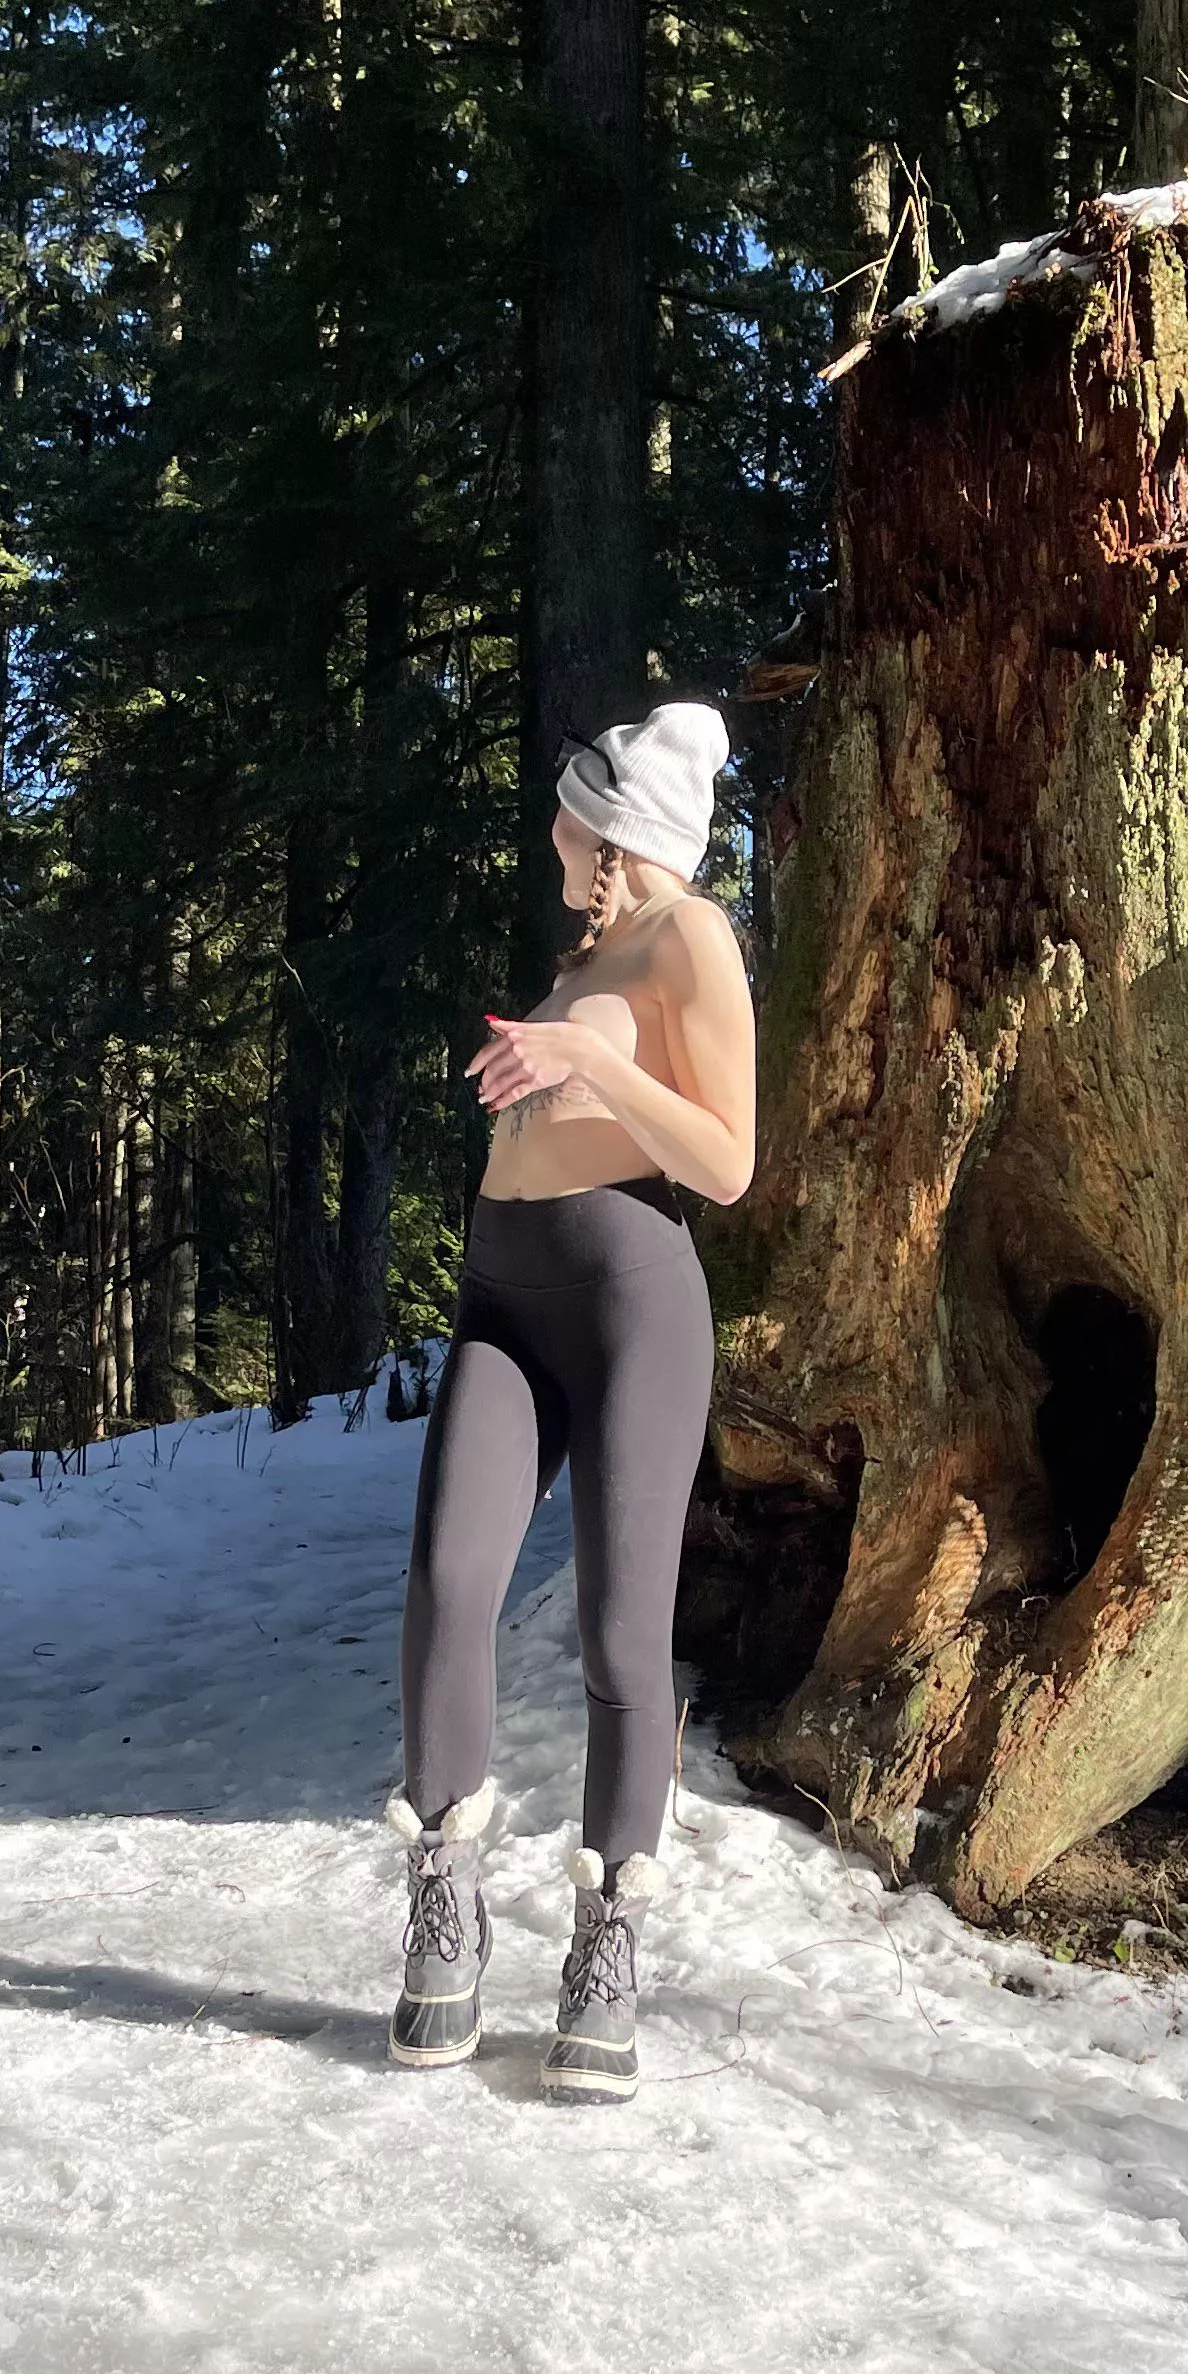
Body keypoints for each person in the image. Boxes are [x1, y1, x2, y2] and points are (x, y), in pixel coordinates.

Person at [387, 699, 758, 2100]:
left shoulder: (691, 936)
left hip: (630, 1304)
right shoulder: (586, 957)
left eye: (565, 809)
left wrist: (594, 1060)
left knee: (620, 1629)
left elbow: (726, 1163)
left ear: (610, 827)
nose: (548, 829)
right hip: (502, 1298)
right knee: (447, 1581)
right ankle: (444, 1900)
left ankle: (608, 1944)